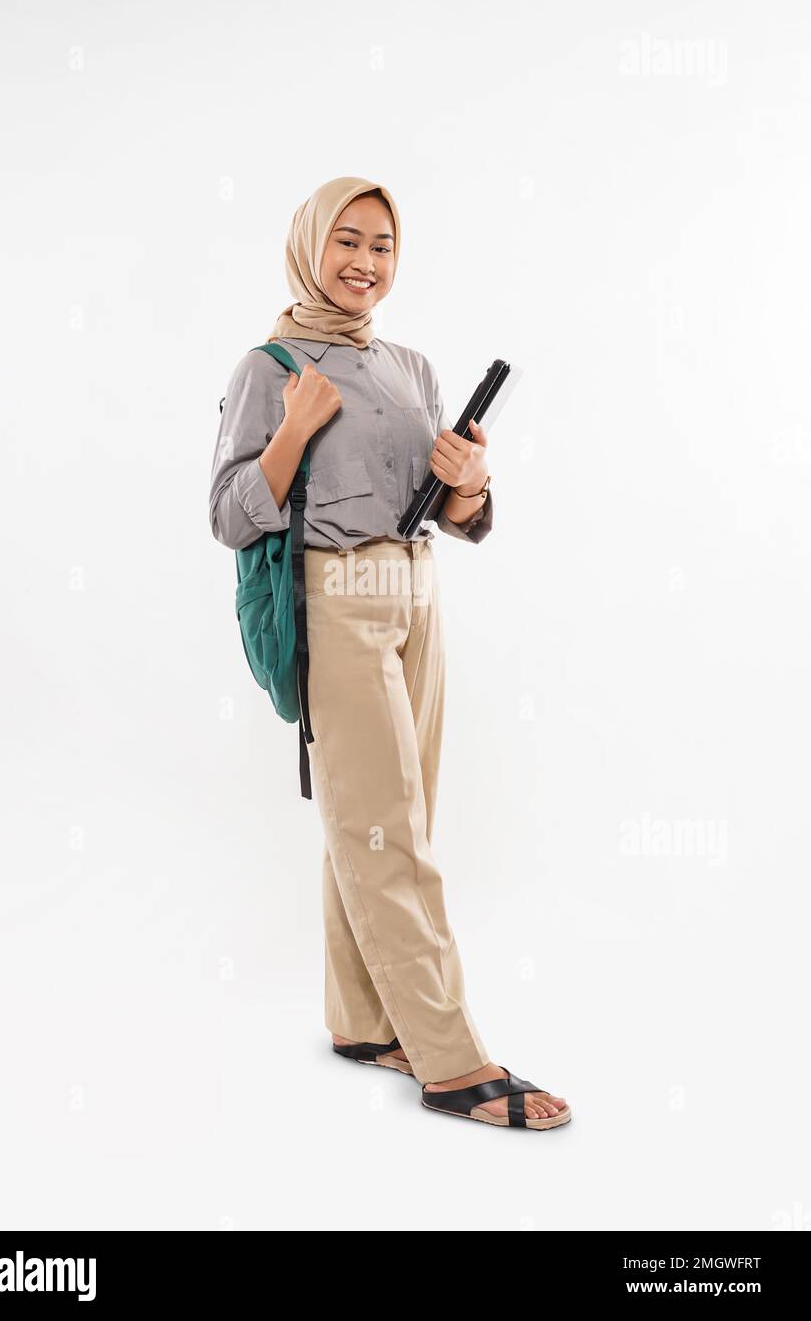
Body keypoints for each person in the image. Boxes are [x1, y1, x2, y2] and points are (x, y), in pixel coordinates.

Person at [209, 176, 570, 1130]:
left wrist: (469, 482)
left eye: (383, 246)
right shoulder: (269, 364)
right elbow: (227, 515)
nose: (366, 264)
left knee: (389, 819)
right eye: (348, 242)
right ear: (308, 247)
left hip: (417, 598)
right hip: (339, 602)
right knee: (389, 830)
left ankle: (365, 1020)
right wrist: (291, 429)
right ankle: (451, 1059)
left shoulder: (410, 365)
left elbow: (452, 518)